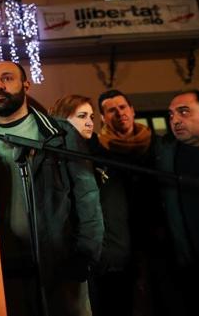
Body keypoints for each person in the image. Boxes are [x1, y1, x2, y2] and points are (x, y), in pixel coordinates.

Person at [0, 61, 103, 316]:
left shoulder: (60, 134)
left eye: (7, 78)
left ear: (26, 84)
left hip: (61, 263)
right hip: (7, 267)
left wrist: (86, 253)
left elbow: (86, 195)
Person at [50, 94, 132, 316]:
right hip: (83, 261)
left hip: (116, 258)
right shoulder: (56, 159)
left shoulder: (103, 155)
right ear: (61, 119)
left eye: (92, 116)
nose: (89, 122)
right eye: (81, 116)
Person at [93, 89, 169, 316]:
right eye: (111, 110)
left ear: (132, 110)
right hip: (117, 241)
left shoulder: (157, 145)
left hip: (158, 236)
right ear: (103, 118)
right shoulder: (97, 150)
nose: (119, 113)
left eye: (122, 107)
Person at [155, 89, 199, 316]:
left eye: (184, 112)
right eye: (171, 115)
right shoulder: (166, 155)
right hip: (190, 268)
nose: (175, 120)